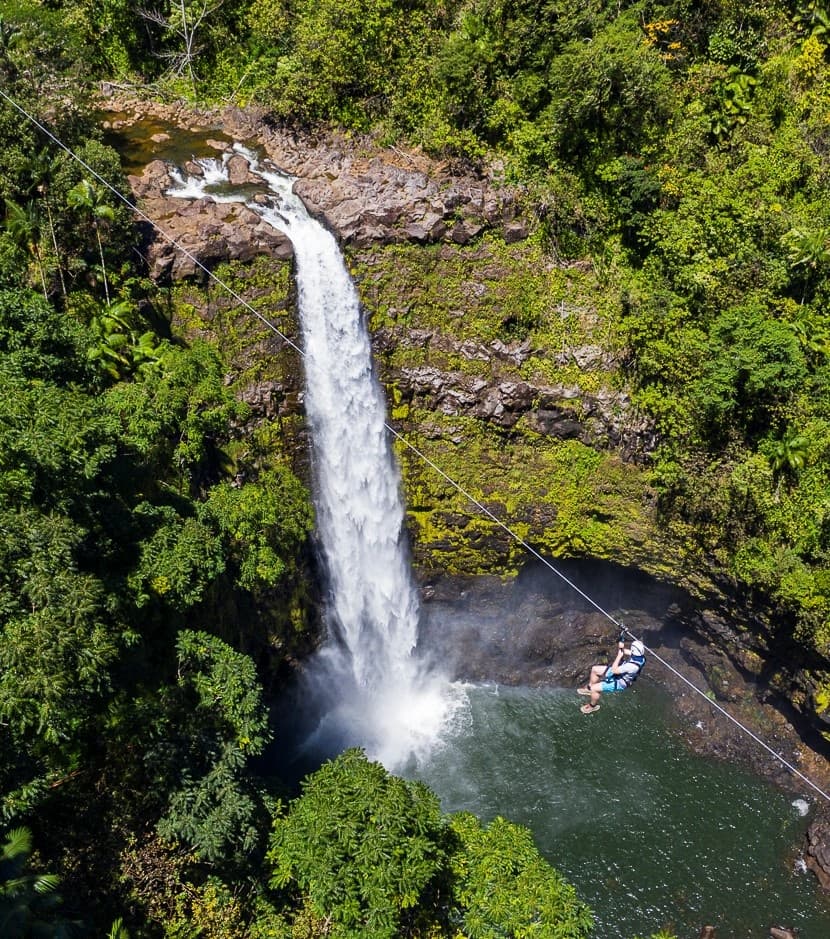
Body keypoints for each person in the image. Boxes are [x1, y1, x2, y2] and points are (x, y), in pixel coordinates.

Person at [577, 637, 646, 714]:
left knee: (594, 689)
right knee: (594, 669)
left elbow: (614, 670)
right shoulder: (641, 658)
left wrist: (619, 656)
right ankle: (589, 689)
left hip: (620, 681)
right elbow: (626, 652)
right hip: (621, 672)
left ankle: (592, 706)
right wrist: (621, 648)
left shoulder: (632, 667)